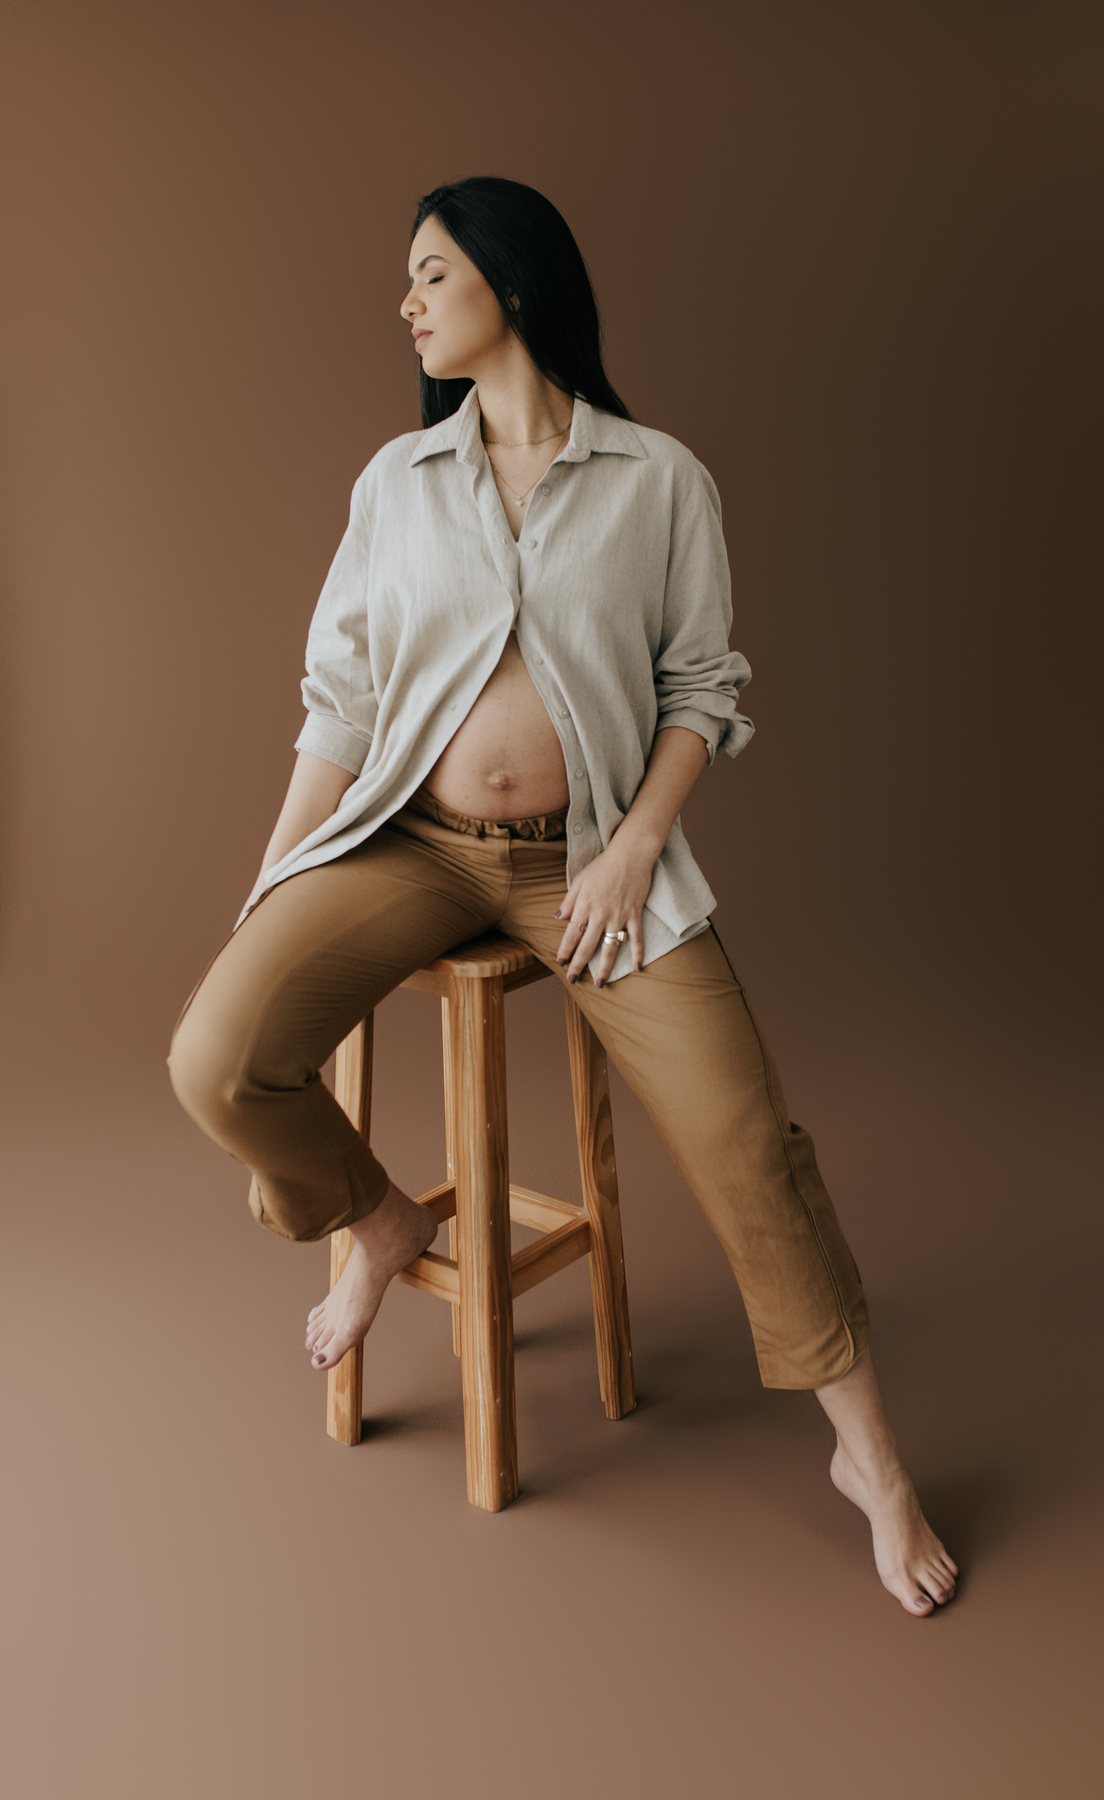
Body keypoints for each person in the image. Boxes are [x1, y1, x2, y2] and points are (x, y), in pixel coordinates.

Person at [168, 176, 957, 1616]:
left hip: (587, 864)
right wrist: (276, 872)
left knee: (748, 1138)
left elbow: (701, 689)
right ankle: (380, 1222)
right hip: (408, 844)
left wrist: (637, 845)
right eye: (409, 280)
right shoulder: (396, 482)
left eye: (432, 273)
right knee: (215, 1058)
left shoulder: (660, 481)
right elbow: (340, 700)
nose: (407, 303)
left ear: (513, 282)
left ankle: (874, 1462)